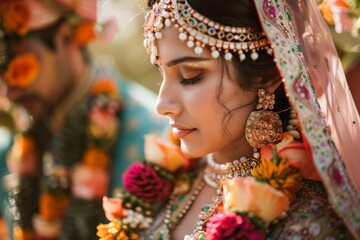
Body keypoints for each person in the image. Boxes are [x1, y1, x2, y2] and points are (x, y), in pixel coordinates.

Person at [96, 0, 360, 239]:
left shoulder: (309, 221)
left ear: (267, 75)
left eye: (190, 76)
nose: (161, 105)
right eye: (161, 73)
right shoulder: (164, 183)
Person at [0, 1, 124, 239]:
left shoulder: (158, 137)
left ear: (68, 37)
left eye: (19, 68)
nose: (8, 94)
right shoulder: (8, 153)